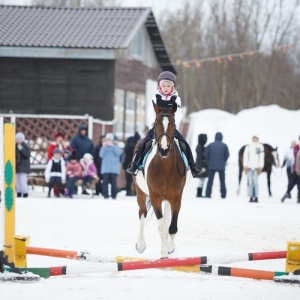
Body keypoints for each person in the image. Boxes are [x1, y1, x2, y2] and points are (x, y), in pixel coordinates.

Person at [125, 71, 203, 178]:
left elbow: (178, 113)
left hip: (170, 127)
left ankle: (192, 166)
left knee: (184, 143)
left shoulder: (176, 99)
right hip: (157, 126)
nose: (166, 88)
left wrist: (174, 124)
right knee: (145, 143)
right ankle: (135, 164)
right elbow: (151, 112)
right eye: (164, 85)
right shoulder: (155, 97)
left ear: (173, 87)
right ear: (160, 86)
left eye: (168, 86)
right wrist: (153, 124)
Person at [205, 132, 230, 199]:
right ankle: (223, 194)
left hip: (211, 166)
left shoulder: (210, 145)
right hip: (221, 166)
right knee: (222, 181)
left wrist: (209, 162)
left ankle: (208, 194)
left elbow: (206, 154)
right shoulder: (224, 145)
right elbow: (227, 155)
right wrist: (223, 161)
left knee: (210, 181)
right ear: (221, 137)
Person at [99, 133, 122, 199]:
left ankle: (114, 195)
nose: (109, 141)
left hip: (114, 168)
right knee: (105, 183)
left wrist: (113, 146)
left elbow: (119, 153)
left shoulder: (116, 146)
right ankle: (105, 195)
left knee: (113, 183)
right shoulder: (104, 147)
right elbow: (101, 155)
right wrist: (103, 147)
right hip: (105, 168)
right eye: (108, 139)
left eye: (110, 139)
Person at [243, 135, 264, 203]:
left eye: (255, 138)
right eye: (253, 138)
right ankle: (251, 196)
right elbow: (246, 156)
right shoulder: (248, 146)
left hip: (256, 167)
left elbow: (261, 157)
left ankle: (256, 196)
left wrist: (260, 166)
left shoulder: (260, 146)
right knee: (250, 182)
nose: (254, 139)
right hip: (249, 167)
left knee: (255, 182)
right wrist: (245, 166)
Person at [281, 135, 300, 203]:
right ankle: (287, 193)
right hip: (295, 169)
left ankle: (298, 197)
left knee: (298, 184)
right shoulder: (296, 148)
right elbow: (292, 158)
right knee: (291, 183)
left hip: (297, 169)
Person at [15, 132, 31, 198]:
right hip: (17, 167)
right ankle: (18, 192)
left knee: (23, 181)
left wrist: (21, 149)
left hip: (24, 167)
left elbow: (27, 155)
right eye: (17, 139)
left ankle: (25, 192)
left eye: (20, 139)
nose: (19, 140)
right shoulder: (15, 146)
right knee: (17, 181)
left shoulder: (25, 146)